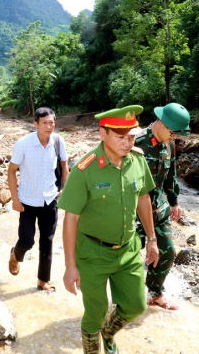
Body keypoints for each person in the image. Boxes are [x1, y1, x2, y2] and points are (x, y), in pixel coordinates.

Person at [58, 105, 159, 354]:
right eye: (120, 136)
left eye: (132, 136)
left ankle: (109, 331)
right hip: (93, 253)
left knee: (136, 305)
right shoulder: (85, 170)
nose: (127, 143)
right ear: (103, 134)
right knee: (95, 312)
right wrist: (70, 267)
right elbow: (70, 219)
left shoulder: (137, 160)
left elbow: (144, 198)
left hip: (127, 250)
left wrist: (152, 239)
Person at [134, 102, 190, 311]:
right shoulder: (137, 141)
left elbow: (171, 175)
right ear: (162, 124)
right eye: (173, 133)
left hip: (158, 207)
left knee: (167, 251)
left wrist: (174, 202)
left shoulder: (169, 143)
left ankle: (155, 293)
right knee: (129, 255)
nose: (174, 138)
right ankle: (124, 296)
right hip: (134, 210)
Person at [7, 107, 69, 292]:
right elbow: (11, 171)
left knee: (47, 241)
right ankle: (15, 255)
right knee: (27, 241)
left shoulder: (58, 141)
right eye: (44, 123)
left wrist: (65, 190)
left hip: (50, 200)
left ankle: (43, 280)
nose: (49, 126)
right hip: (27, 201)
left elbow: (65, 167)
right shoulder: (23, 144)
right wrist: (15, 199)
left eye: (51, 122)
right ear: (35, 124)